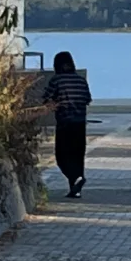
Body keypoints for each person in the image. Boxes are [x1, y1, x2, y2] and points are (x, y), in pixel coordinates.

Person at [44, 50, 92, 198]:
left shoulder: (56, 80)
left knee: (62, 156)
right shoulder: (81, 80)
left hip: (64, 123)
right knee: (77, 156)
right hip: (80, 123)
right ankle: (76, 189)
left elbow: (46, 98)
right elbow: (87, 99)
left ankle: (74, 178)